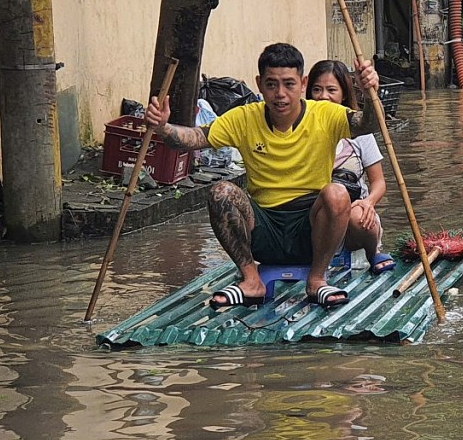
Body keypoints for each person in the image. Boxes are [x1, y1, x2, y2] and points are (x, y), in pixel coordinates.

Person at [144, 43, 380, 309]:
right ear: (259, 83)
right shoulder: (244, 118)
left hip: (311, 228)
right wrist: (163, 128)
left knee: (337, 192)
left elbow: (369, 124)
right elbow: (195, 138)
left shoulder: (325, 114)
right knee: (221, 192)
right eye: (271, 85)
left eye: (289, 84)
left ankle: (316, 279)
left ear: (302, 83)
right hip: (264, 226)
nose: (280, 94)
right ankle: (251, 279)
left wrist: (370, 92)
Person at [305, 59, 394, 275]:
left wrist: (368, 202)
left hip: (354, 214)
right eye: (317, 89)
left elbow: (379, 182)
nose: (323, 96)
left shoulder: (358, 130)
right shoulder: (301, 129)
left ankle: (373, 252)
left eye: (331, 90)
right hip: (317, 215)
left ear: (343, 93)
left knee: (359, 215)